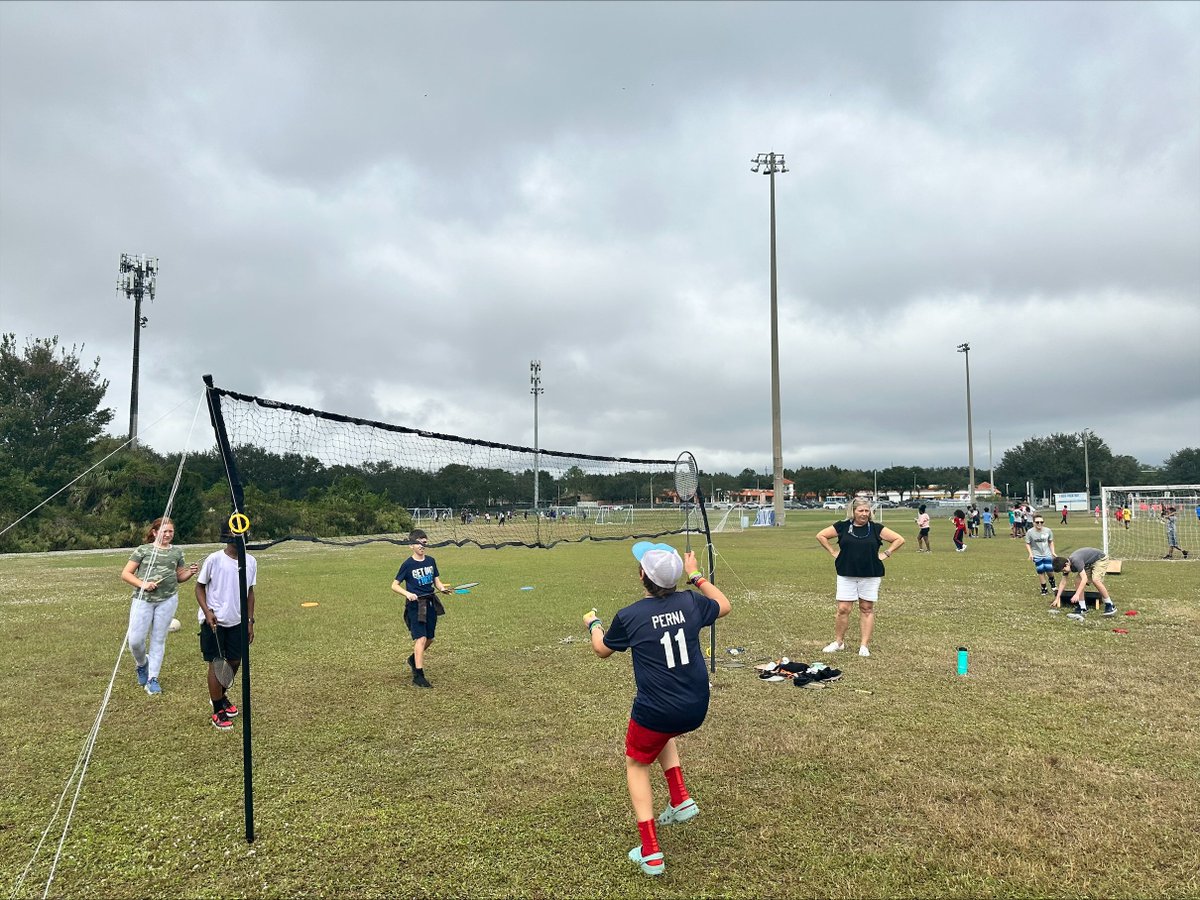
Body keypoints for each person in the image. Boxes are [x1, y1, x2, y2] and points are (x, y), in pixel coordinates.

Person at [583, 542, 730, 877]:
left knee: (636, 762)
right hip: (695, 706)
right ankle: (680, 799)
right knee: (662, 733)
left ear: (642, 577)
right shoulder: (692, 601)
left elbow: (602, 650)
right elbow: (723, 604)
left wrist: (593, 623)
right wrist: (696, 576)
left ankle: (650, 852)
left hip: (658, 711)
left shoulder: (630, 615)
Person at [120, 517, 199, 695]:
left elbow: (178, 577)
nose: (168, 534)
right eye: (165, 531)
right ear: (155, 532)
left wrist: (190, 573)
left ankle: (152, 678)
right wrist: (143, 584)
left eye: (171, 531)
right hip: (143, 600)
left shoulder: (177, 552)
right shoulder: (143, 550)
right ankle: (142, 665)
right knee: (135, 641)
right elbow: (126, 574)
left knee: (158, 639)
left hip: (168, 600)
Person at [817, 499, 905, 658]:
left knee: (866, 608)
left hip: (870, 574)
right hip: (846, 573)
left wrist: (886, 553)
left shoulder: (876, 528)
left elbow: (899, 539)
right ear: (853, 511)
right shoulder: (842, 526)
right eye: (861, 511)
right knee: (843, 609)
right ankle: (839, 642)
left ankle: (864, 645)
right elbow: (821, 535)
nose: (864, 514)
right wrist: (832, 551)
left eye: (867, 511)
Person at [195, 530, 257, 730]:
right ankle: (217, 708)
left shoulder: (251, 561)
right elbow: (199, 587)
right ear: (226, 535)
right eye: (234, 532)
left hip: (237, 621)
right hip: (214, 621)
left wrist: (249, 621)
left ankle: (220, 696)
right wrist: (207, 612)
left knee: (235, 661)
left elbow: (249, 592)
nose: (239, 536)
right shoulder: (214, 559)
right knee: (217, 663)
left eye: (244, 532)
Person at [391, 529, 450, 688]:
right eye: (419, 543)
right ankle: (418, 675)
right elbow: (394, 585)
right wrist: (408, 593)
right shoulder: (408, 564)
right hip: (415, 606)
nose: (422, 546)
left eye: (424, 543)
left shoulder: (431, 561)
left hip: (430, 603)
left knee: (430, 638)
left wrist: (442, 588)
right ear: (411, 545)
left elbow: (436, 581)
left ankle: (413, 658)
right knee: (421, 638)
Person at [1052, 548, 1116, 619]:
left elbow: (1084, 579)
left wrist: (1077, 594)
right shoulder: (1066, 565)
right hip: (1088, 564)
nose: (1064, 572)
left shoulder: (1076, 561)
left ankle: (1110, 604)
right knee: (1077, 581)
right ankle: (1082, 607)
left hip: (1100, 559)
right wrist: (1057, 598)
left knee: (1096, 580)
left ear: (1066, 564)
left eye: (1064, 570)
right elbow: (1063, 582)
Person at [1024, 515, 1058, 596]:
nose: (1039, 524)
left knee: (1049, 570)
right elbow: (1027, 543)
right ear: (1033, 523)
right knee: (1041, 570)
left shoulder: (1048, 531)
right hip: (1037, 555)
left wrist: (1053, 552)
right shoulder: (1030, 532)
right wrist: (1030, 553)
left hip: (1047, 554)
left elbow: (1050, 541)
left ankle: (1053, 583)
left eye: (1041, 522)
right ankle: (1044, 588)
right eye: (1037, 522)